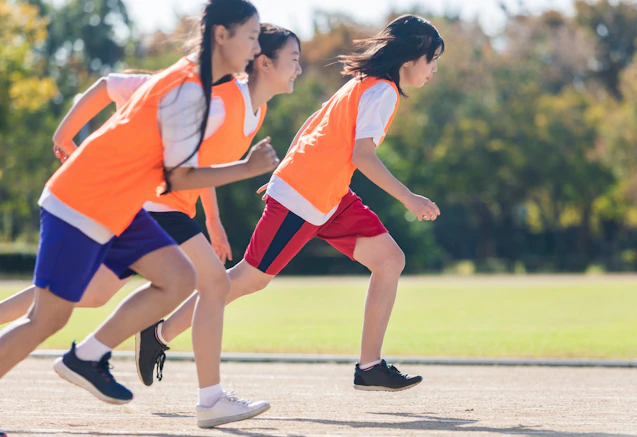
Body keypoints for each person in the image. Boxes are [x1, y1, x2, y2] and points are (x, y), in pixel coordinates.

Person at [0, 0, 279, 433]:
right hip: (83, 200)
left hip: (118, 205)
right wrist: (248, 168)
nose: (256, 46)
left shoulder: (195, 82)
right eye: (251, 36)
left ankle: (88, 357)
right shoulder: (190, 90)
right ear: (221, 35)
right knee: (47, 318)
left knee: (179, 278)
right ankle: (87, 357)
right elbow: (178, 177)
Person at [138, 14, 444, 392]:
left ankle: (369, 367)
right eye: (432, 59)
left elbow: (313, 123)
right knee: (248, 279)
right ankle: (159, 333)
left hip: (329, 197)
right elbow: (363, 155)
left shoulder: (364, 84)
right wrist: (409, 198)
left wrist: (283, 170)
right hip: (305, 196)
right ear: (410, 58)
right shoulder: (381, 91)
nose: (433, 69)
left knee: (389, 260)